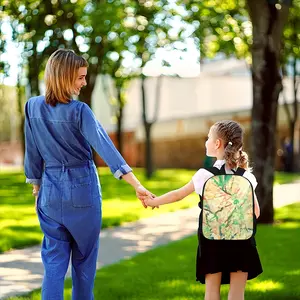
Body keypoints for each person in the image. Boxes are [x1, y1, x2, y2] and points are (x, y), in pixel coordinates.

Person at [24, 48, 153, 300]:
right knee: (84, 264)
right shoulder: (79, 111)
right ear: (64, 77)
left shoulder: (32, 107)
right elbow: (107, 148)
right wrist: (136, 184)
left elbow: (32, 153)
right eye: (80, 77)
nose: (84, 83)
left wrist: (37, 188)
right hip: (82, 191)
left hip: (49, 193)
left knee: (53, 265)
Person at [144, 120, 263, 300]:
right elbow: (256, 212)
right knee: (237, 294)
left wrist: (154, 202)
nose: (206, 142)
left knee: (211, 293)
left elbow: (178, 195)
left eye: (208, 138)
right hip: (241, 241)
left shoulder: (204, 175)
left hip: (212, 242)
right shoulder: (247, 177)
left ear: (217, 144)